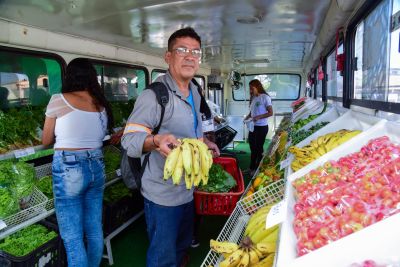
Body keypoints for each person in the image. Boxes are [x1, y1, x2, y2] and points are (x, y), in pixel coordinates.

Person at [121, 27, 219, 267]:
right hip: (162, 195)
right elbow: (129, 139)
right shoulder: (154, 96)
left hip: (188, 189)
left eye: (195, 52)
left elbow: (192, 132)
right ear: (168, 57)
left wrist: (204, 142)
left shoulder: (195, 90)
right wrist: (155, 140)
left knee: (182, 247)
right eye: (182, 50)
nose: (190, 56)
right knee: (163, 258)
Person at [42, 58, 114, 267]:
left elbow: (46, 141)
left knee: (73, 237)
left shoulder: (59, 100)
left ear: (69, 76)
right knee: (93, 229)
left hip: (69, 167)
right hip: (96, 165)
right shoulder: (100, 106)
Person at [244, 79, 273, 177]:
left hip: (262, 127)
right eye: (250, 88)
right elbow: (252, 111)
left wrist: (258, 117)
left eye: (252, 88)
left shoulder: (265, 97)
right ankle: (251, 167)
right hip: (253, 127)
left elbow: (270, 112)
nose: (251, 90)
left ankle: (257, 169)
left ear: (258, 86)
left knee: (258, 149)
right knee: (252, 148)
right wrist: (248, 117)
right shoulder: (253, 98)